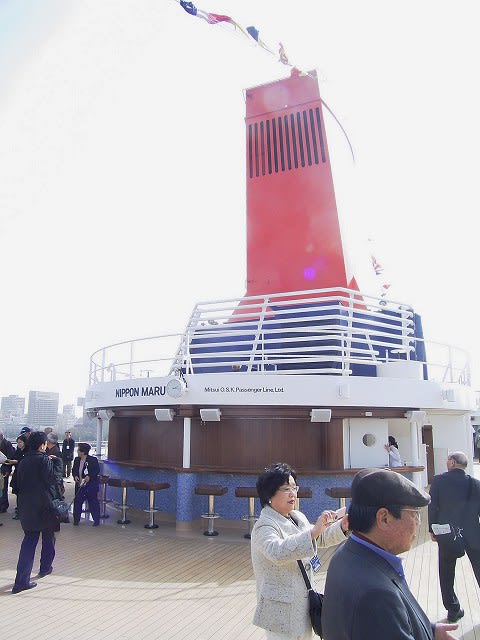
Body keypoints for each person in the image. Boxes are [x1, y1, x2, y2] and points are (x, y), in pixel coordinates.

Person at [322, 467, 458, 640]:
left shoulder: (347, 553)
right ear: (384, 518)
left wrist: (428, 631)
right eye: (414, 513)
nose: (418, 522)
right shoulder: (377, 596)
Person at [251, 462, 349, 639]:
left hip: (303, 607)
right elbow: (277, 551)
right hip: (280, 612)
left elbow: (320, 538)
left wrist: (342, 526)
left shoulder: (298, 517)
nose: (292, 493)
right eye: (286, 489)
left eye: (294, 487)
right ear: (269, 494)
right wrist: (313, 532)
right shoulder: (264, 526)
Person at [428, 451, 480, 622]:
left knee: (446, 572)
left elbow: (433, 506)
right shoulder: (475, 484)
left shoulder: (439, 481)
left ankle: (453, 610)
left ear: (452, 462)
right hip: (473, 533)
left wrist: (432, 529)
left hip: (447, 532)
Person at [12, 430, 59, 593]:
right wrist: (56, 464)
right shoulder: (44, 460)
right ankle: (45, 568)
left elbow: (16, 485)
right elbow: (53, 480)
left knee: (29, 542)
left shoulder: (23, 461)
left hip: (26, 507)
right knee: (49, 537)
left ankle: (21, 581)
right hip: (44, 507)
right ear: (42, 445)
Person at [72, 443, 101, 526]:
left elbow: (96, 470)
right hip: (80, 485)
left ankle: (96, 520)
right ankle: (76, 520)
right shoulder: (77, 460)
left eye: (78, 450)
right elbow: (74, 470)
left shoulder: (93, 460)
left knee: (93, 502)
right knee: (77, 502)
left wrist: (90, 476)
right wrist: (75, 476)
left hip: (90, 486)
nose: (77, 451)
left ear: (83, 452)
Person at [7, 434, 28, 519]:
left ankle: (22, 511)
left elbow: (25, 462)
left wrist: (17, 461)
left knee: (23, 495)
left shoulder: (28, 451)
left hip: (24, 476)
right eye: (18, 442)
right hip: (17, 474)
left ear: (24, 442)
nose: (19, 444)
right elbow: (14, 458)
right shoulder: (18, 451)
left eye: (20, 442)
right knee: (18, 494)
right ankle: (19, 511)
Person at [0, 431, 15, 512]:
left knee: (3, 488)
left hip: (4, 468)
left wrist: (8, 470)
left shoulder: (7, 444)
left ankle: (3, 505)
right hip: (2, 467)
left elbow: (10, 457)